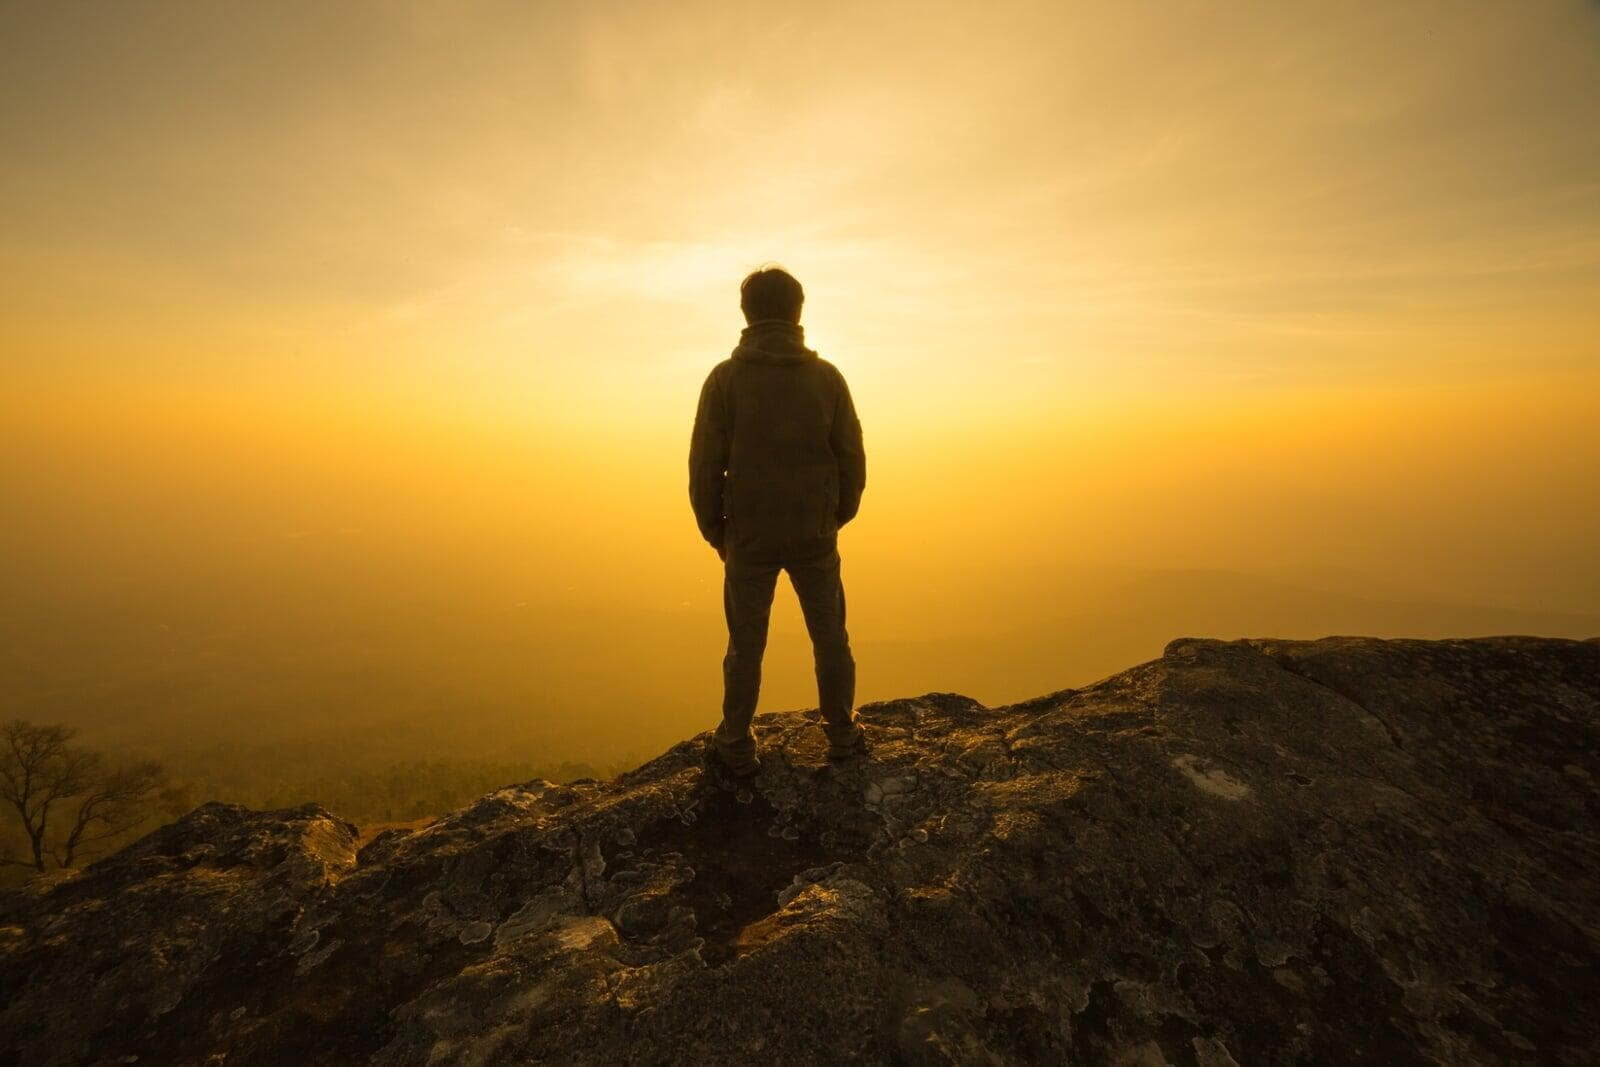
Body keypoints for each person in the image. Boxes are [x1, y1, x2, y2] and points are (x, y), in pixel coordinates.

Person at [689, 266, 869, 777]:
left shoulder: (726, 379)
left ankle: (737, 745)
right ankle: (840, 735)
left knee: (745, 643)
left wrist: (716, 530)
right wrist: (834, 517)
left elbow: (705, 462)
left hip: (747, 533)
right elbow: (852, 458)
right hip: (814, 530)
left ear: (746, 313)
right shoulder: (826, 377)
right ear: (799, 310)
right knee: (830, 635)